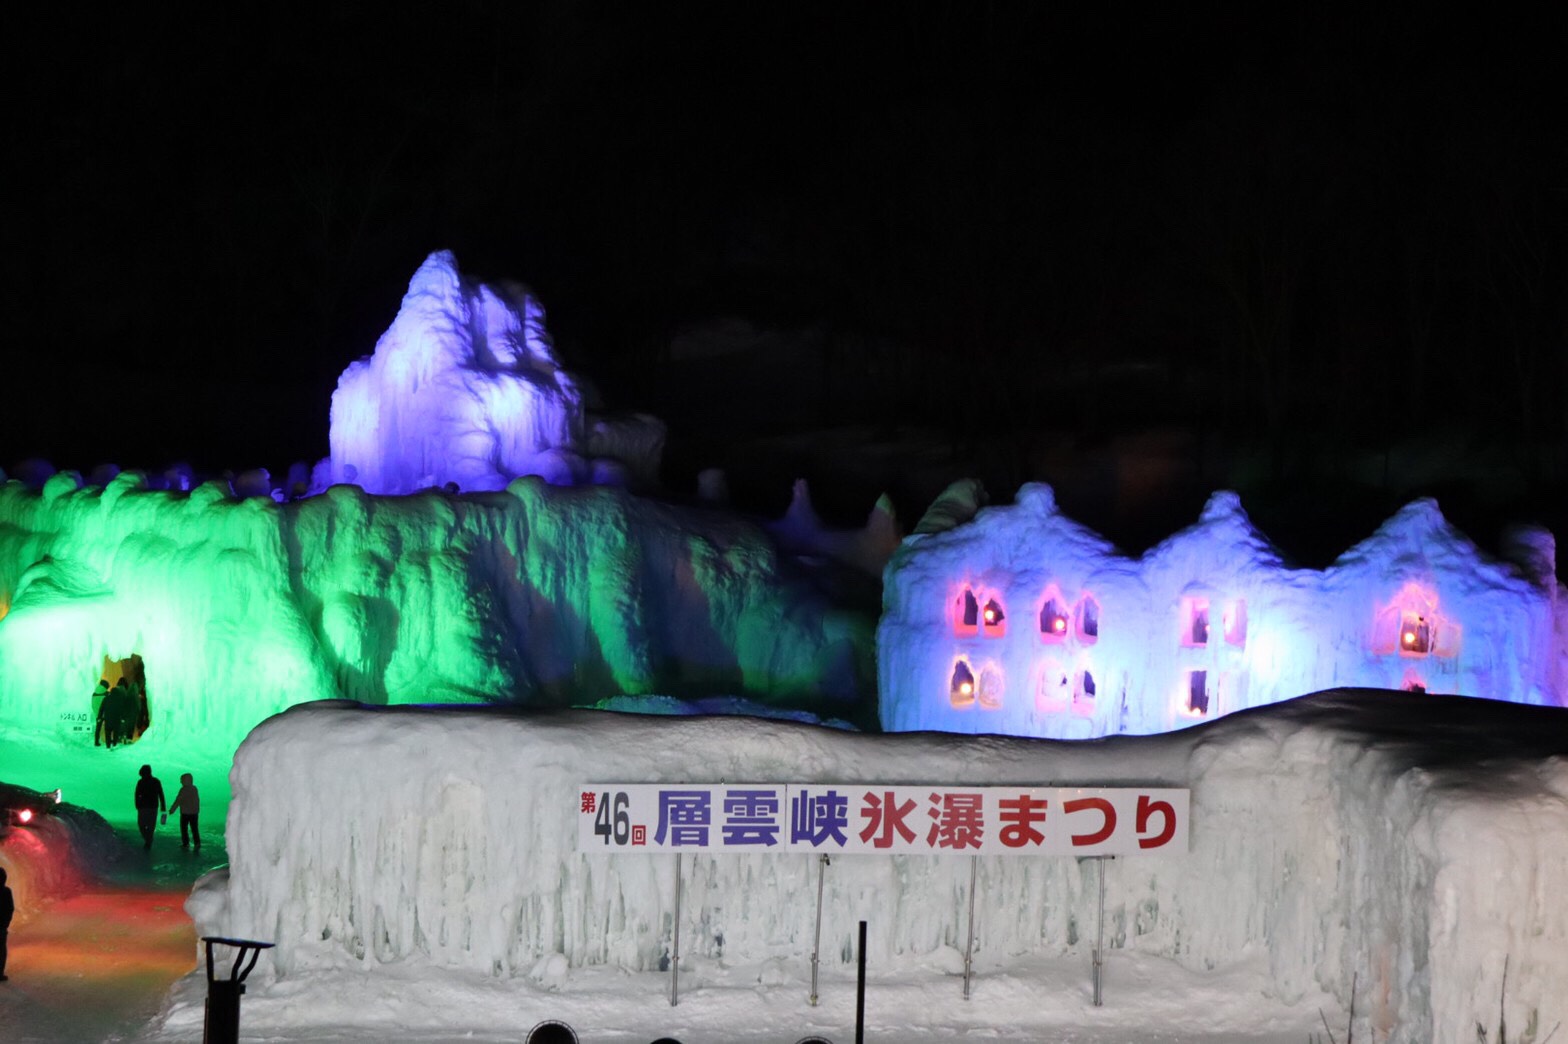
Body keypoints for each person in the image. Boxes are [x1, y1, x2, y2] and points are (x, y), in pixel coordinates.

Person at [134, 764, 166, 850]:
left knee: (145, 825)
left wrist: (137, 804)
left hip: (147, 807)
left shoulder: (147, 782)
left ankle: (148, 841)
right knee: (147, 825)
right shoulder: (153, 781)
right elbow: (161, 794)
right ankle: (148, 840)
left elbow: (137, 794)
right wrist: (163, 805)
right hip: (148, 806)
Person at [170, 773, 201, 849]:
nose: (181, 782)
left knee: (184, 829)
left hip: (185, 813)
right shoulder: (194, 788)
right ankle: (197, 843)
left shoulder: (183, 790)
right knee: (194, 828)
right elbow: (197, 801)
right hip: (194, 813)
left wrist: (173, 809)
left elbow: (178, 800)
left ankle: (186, 843)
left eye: (182, 780)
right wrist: (196, 810)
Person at [1, 865, 13, 981]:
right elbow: (10, 908)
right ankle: (0, 972)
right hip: (1, 926)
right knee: (1, 949)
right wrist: (6, 922)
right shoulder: (7, 891)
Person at [91, 679, 110, 746]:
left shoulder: (94, 693)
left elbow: (93, 704)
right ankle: (108, 741)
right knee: (107, 728)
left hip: (97, 713)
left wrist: (96, 712)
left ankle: (96, 742)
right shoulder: (107, 694)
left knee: (98, 728)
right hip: (105, 713)